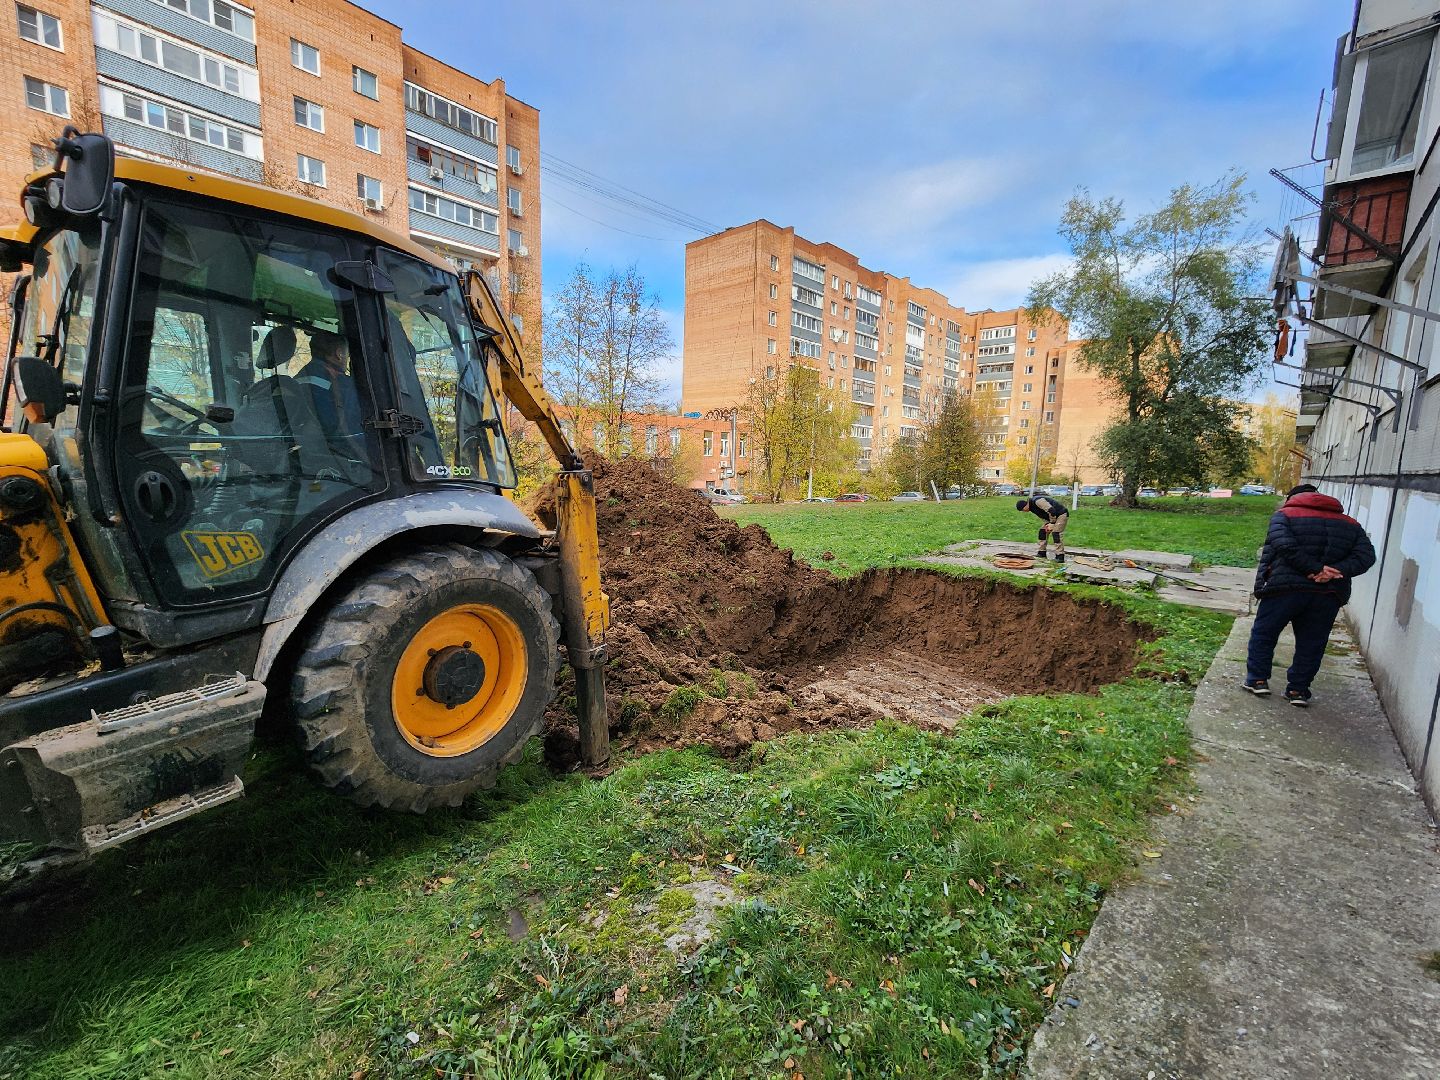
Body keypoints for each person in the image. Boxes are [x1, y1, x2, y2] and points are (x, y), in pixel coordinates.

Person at [1244, 483, 1375, 706]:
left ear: (1293, 498)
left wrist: (1314, 569)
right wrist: (1334, 571)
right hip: (1328, 593)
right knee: (1312, 643)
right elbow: (1366, 556)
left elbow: (1283, 545)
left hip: (1284, 588)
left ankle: (1257, 679)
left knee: (1264, 633)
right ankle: (1298, 690)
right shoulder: (1351, 524)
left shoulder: (1284, 516)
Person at [295, 329, 362, 436]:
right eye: (347, 354)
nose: (348, 358)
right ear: (339, 354)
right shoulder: (344, 385)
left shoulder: (297, 379)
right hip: (337, 444)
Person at [1016, 493, 1069, 562]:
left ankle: (1060, 556)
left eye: (1023, 510)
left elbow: (1051, 510)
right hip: (1051, 517)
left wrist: (1052, 523)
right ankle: (1042, 552)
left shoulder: (1038, 501)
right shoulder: (1032, 508)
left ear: (1025, 506)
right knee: (1042, 532)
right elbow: (1043, 515)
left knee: (1056, 534)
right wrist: (1047, 524)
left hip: (1061, 514)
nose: (1024, 512)